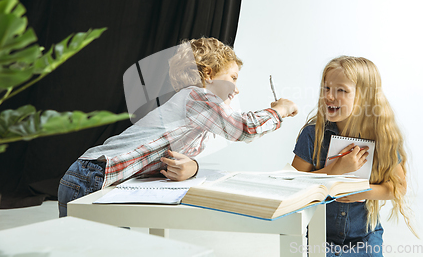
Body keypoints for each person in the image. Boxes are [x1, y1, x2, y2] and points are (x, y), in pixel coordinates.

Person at [58, 37, 298, 217]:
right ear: (209, 74)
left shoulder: (194, 113)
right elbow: (243, 129)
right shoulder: (197, 97)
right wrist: (280, 111)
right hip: (93, 177)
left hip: (98, 178)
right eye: (233, 78)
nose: (237, 88)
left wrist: (192, 168)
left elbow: (180, 156)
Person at [291, 56, 415, 257]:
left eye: (341, 90)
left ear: (365, 98)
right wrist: (334, 170)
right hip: (320, 238)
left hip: (364, 238)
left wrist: (363, 192)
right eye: (326, 88)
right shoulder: (313, 135)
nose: (330, 96)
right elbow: (292, 186)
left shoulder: (382, 137)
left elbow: (398, 188)